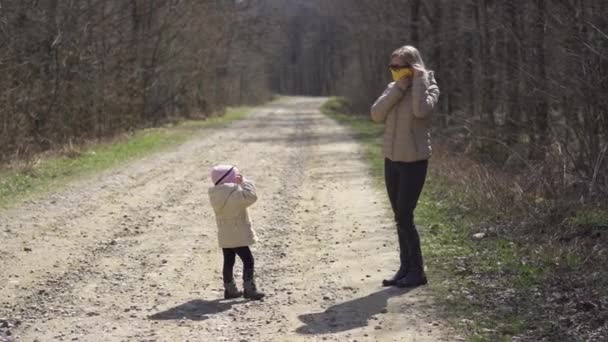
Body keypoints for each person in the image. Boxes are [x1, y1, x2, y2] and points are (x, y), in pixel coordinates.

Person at [370, 45, 440, 287]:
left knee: (405, 215)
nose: (395, 71)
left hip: (414, 162)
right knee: (398, 217)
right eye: (393, 66)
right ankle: (405, 267)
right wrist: (398, 89)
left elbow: (421, 112)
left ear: (413, 66)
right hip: (392, 160)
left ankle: (417, 271)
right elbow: (376, 115)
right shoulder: (393, 87)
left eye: (400, 66)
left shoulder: (430, 86)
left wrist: (419, 81)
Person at [208, 164, 265, 300]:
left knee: (228, 261)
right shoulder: (235, 194)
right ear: (231, 178)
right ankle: (249, 289)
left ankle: (230, 290)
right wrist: (245, 182)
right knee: (248, 261)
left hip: (225, 236)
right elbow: (251, 196)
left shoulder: (216, 195)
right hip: (238, 235)